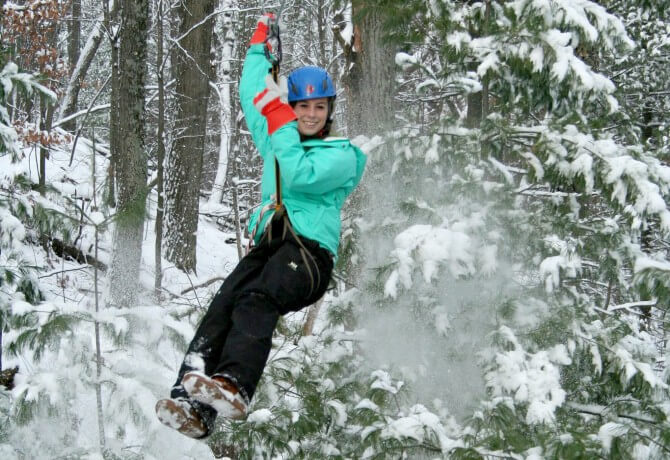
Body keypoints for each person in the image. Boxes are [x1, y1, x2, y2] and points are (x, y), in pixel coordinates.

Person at [155, 13, 366, 439]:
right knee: (225, 304)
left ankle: (235, 385)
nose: (309, 115)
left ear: (329, 112)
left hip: (308, 258)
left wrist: (280, 117)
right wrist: (257, 53)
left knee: (256, 298)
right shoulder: (280, 134)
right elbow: (255, 96)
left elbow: (300, 173)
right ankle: (192, 404)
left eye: (318, 107)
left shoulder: (342, 154)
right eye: (301, 106)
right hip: (273, 247)